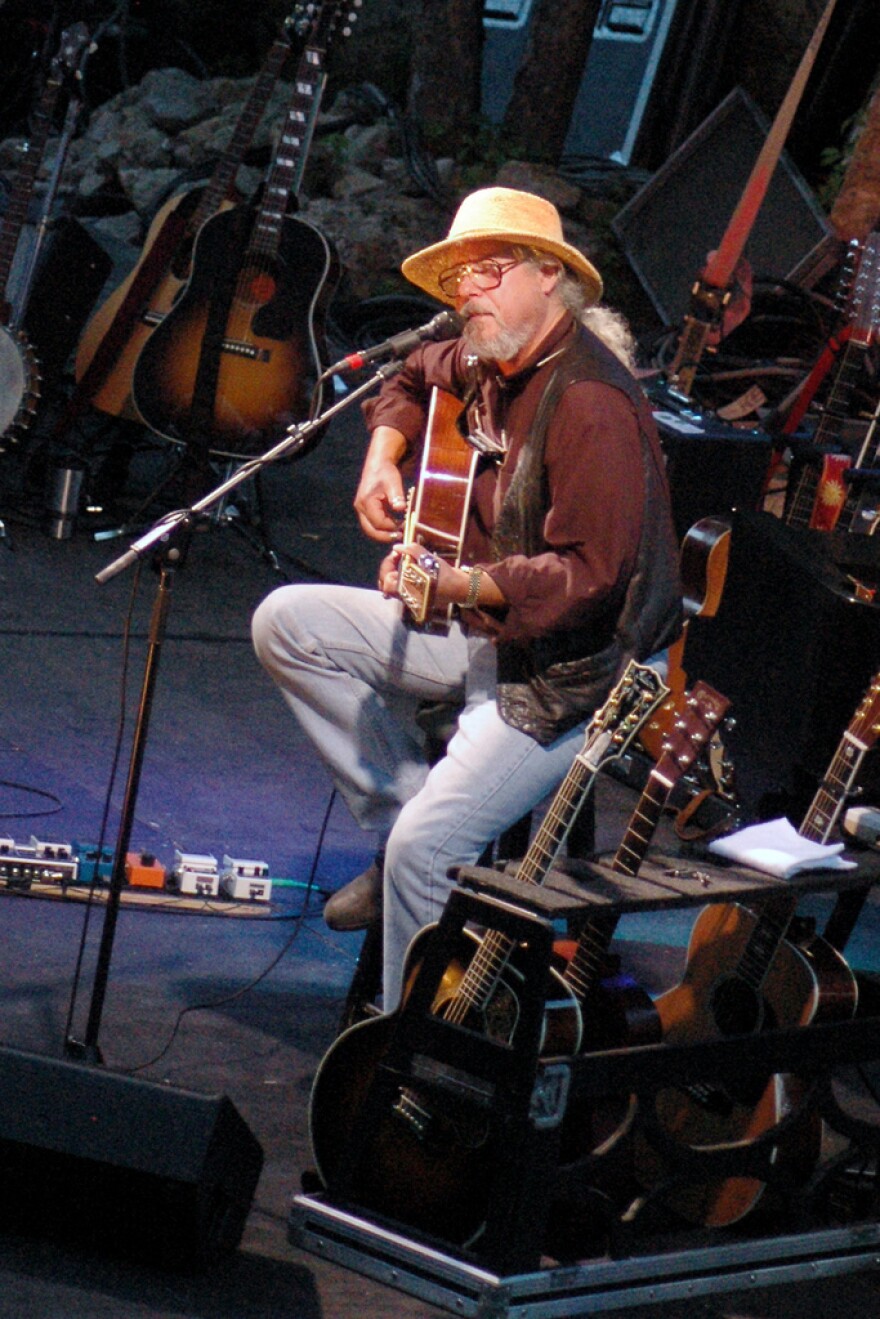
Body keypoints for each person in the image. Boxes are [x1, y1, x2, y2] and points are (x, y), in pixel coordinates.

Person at [252, 186, 683, 1011]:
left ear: (549, 277)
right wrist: (382, 456)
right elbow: (410, 375)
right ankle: (409, 815)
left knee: (423, 854)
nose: (467, 293)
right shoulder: (491, 348)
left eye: (489, 270)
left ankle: (411, 1045)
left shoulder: (590, 403)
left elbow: (586, 581)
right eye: (457, 278)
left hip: (579, 675)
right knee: (287, 624)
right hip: (492, 629)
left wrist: (455, 583)